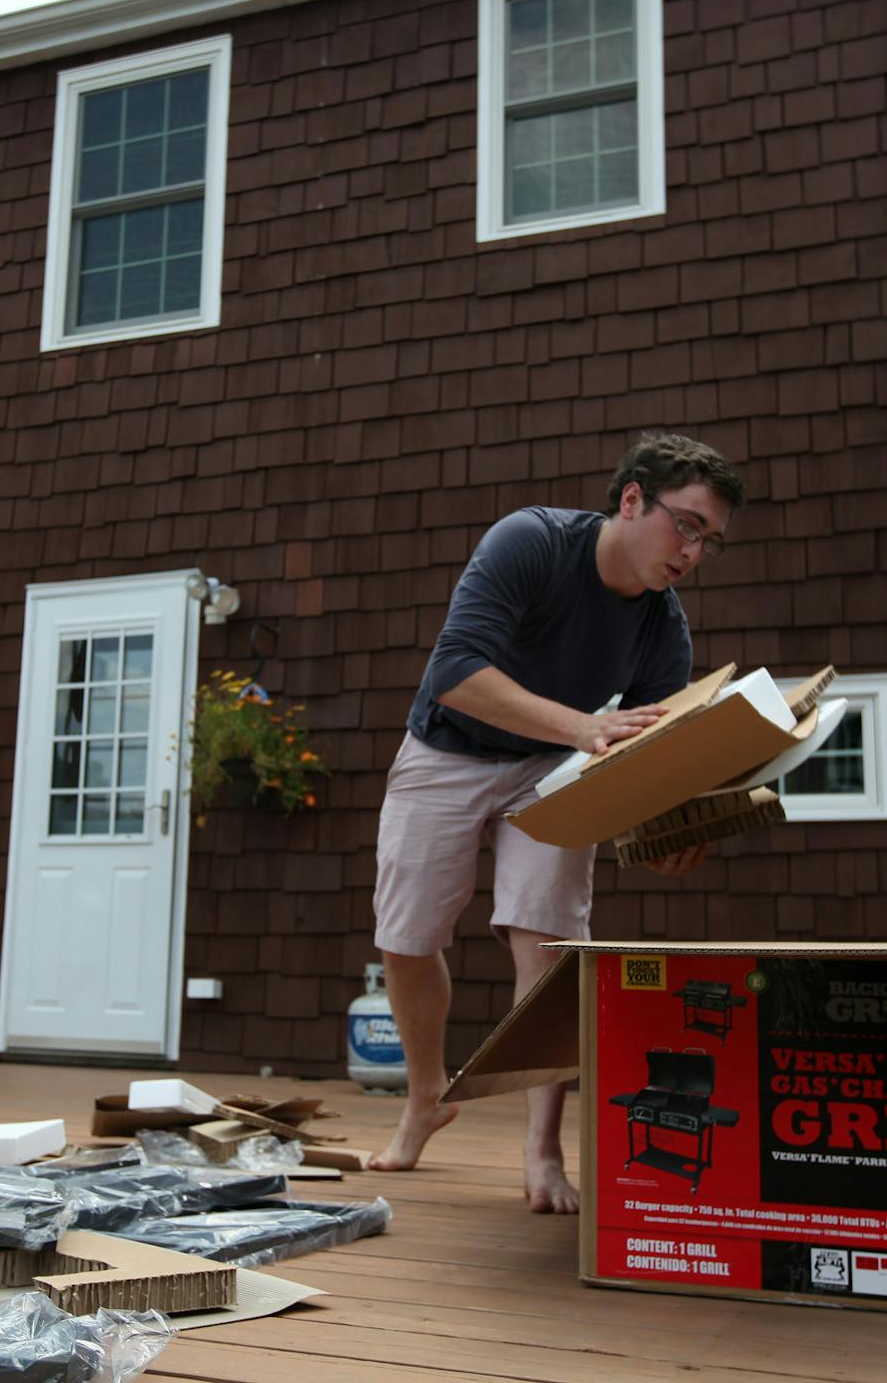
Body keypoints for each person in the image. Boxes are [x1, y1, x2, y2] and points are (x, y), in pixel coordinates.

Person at [368, 433, 742, 1212]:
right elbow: (456, 674)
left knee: (546, 938)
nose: (693, 552)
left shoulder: (661, 631)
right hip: (449, 745)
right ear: (633, 498)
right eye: (688, 525)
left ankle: (542, 1153)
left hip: (549, 765)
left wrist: (669, 826)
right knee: (406, 939)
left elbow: (646, 753)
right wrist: (580, 728)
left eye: (709, 541)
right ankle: (427, 1094)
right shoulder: (531, 541)